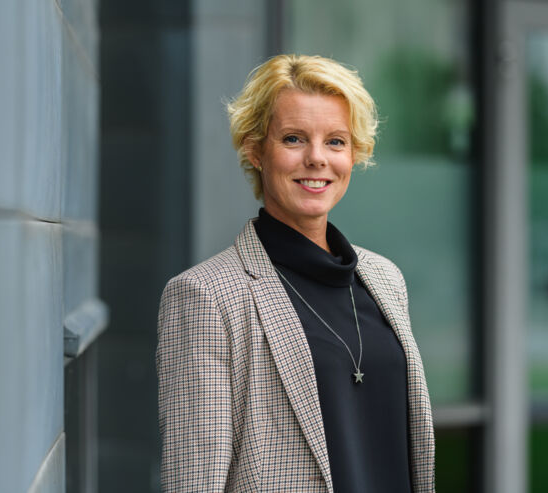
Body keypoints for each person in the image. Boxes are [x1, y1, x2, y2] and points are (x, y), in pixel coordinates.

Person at [156, 54, 435, 492]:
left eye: (336, 141)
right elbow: (195, 481)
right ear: (254, 148)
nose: (317, 158)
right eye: (293, 139)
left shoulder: (385, 280)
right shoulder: (204, 295)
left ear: (354, 153)